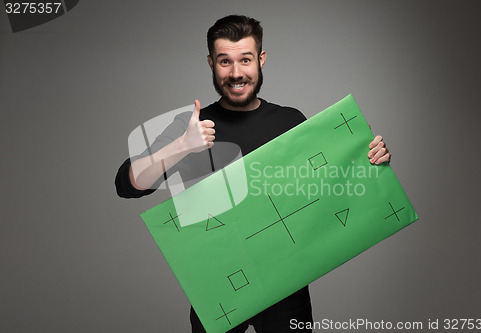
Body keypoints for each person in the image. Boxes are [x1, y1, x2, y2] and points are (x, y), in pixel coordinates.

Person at [115, 15, 391, 333]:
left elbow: (330, 190)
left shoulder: (290, 122)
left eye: (245, 59)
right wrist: (181, 146)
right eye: (224, 61)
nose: (236, 73)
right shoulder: (192, 126)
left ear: (260, 59)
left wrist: (367, 156)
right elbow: (128, 183)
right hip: (218, 285)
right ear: (211, 63)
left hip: (286, 280)